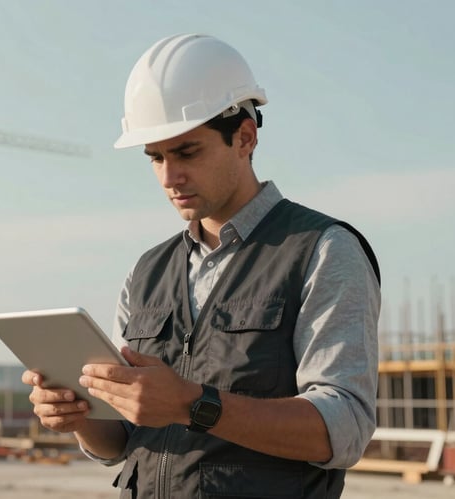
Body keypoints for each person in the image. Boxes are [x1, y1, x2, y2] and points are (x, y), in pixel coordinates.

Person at [22, 33, 380, 498]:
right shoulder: (146, 271)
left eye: (187, 152)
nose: (170, 177)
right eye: (156, 158)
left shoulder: (323, 250)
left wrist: (193, 404)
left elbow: (345, 427)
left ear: (245, 138)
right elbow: (121, 443)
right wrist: (81, 417)